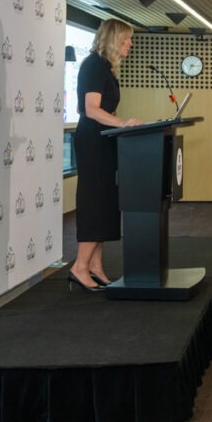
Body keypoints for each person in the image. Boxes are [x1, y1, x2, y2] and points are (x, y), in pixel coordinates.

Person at [69, 19, 142, 292]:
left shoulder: (105, 68)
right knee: (95, 202)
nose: (130, 44)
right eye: (126, 40)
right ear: (113, 40)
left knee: (104, 203)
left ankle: (95, 267)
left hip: (104, 141)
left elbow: (88, 107)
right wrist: (122, 122)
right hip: (93, 143)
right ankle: (79, 267)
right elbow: (90, 109)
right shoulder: (94, 65)